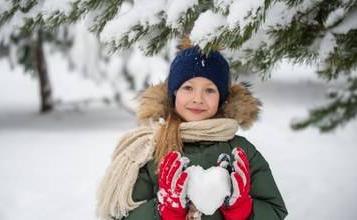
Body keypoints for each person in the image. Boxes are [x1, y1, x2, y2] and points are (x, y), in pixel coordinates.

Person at [95, 39, 288, 220]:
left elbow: (275, 210)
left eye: (210, 90)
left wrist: (243, 209)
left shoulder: (241, 151)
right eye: (188, 88)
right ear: (174, 93)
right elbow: (121, 215)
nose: (198, 98)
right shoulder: (149, 150)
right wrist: (164, 211)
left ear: (221, 98)